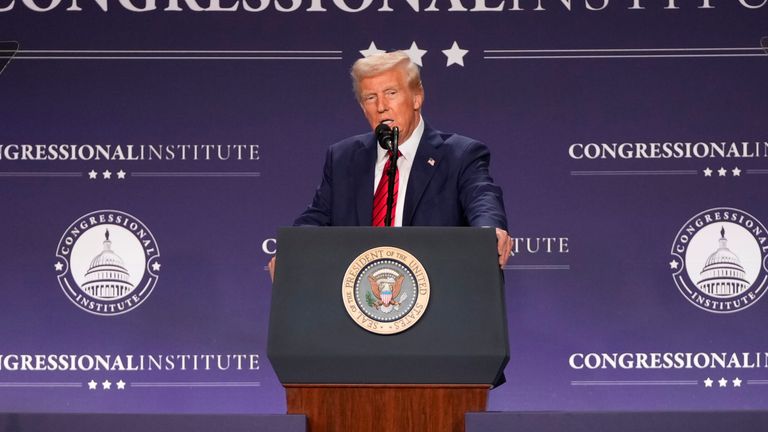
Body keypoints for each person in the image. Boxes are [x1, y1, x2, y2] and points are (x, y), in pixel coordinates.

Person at [269, 51, 511, 279]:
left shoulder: (459, 154)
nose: (381, 106)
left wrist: (490, 231)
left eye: (391, 93)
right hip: (357, 301)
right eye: (370, 98)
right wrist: (292, 252)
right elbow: (316, 218)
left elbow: (482, 198)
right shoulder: (343, 157)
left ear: (417, 97)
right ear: (363, 107)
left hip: (437, 295)